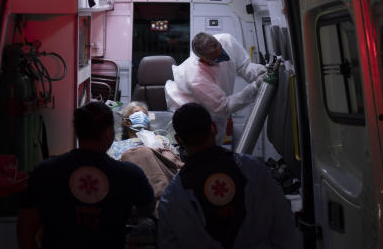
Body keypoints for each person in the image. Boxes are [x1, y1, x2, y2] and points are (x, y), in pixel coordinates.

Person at [157, 102, 300, 249]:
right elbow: (284, 226)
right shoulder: (253, 169)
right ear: (213, 128)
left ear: (178, 140)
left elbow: (168, 242)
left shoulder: (173, 194)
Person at [17, 101, 154, 249]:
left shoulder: (44, 172)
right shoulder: (130, 175)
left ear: (76, 132)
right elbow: (147, 208)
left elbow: (25, 232)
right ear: (109, 133)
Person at [164, 32, 267, 144]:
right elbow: (225, 106)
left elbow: (244, 66)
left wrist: (260, 71)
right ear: (203, 59)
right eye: (216, 58)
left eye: (221, 49)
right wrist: (255, 87)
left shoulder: (227, 40)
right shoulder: (195, 77)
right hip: (193, 112)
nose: (224, 57)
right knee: (204, 145)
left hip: (215, 106)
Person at [107, 101, 174, 160]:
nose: (142, 116)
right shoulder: (115, 147)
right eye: (136, 112)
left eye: (145, 115)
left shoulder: (161, 140)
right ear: (125, 122)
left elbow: (174, 161)